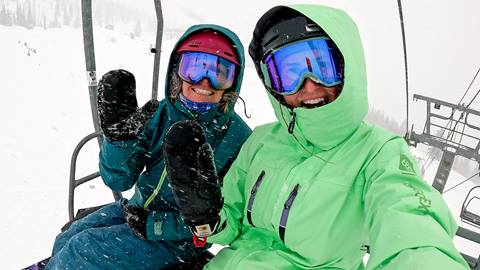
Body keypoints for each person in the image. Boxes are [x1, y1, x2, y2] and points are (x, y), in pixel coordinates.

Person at [163, 5, 470, 270]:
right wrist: (207, 217)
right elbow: (230, 223)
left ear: (346, 67)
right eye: (288, 72)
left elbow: (411, 228)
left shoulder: (378, 153)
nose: (308, 86)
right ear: (273, 83)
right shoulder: (262, 141)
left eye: (321, 67)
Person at [45, 24, 251, 270]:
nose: (204, 82)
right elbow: (118, 180)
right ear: (178, 71)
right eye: (194, 67)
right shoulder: (163, 113)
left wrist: (155, 225)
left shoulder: (238, 140)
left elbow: (227, 217)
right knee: (68, 237)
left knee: (82, 252)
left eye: (220, 73)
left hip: (178, 240)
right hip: (135, 209)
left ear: (233, 81)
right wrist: (119, 141)